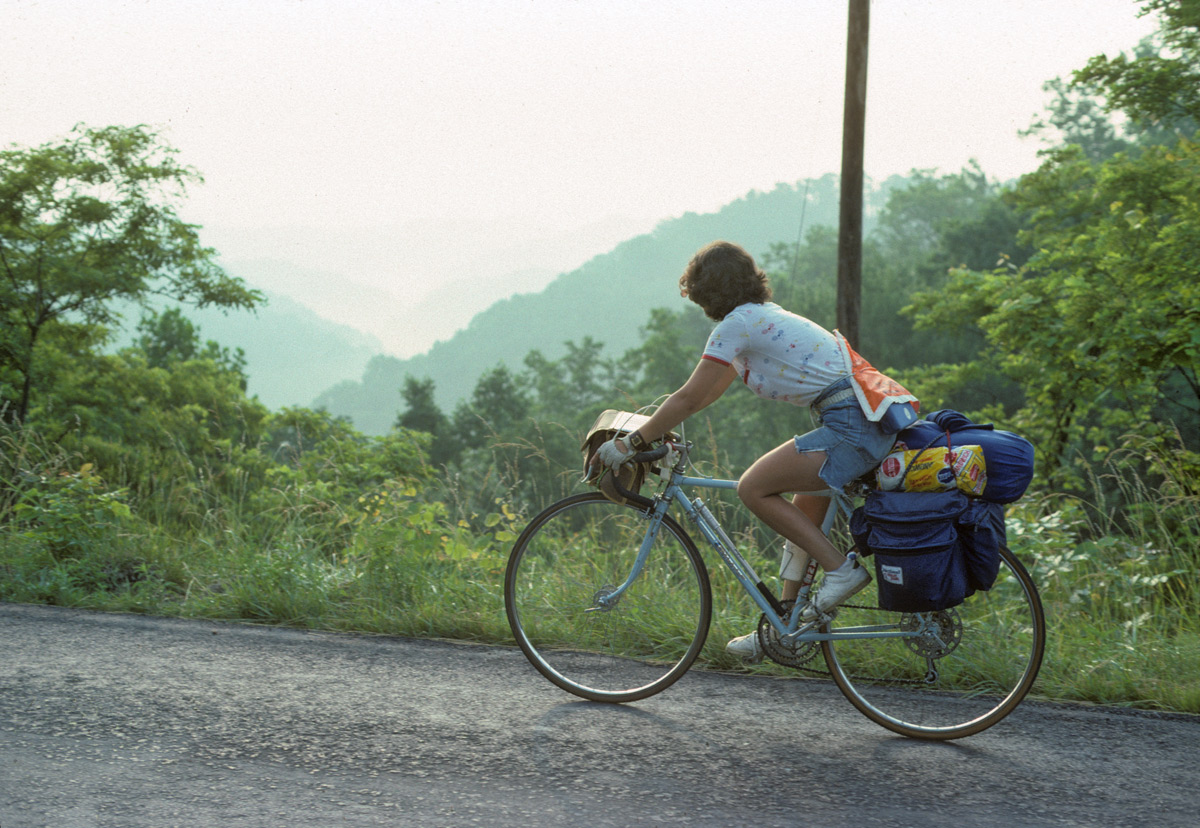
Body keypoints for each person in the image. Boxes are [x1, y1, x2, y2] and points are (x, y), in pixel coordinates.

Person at [595, 240, 917, 661]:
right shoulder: (762, 318)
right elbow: (706, 394)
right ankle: (788, 627)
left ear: (708, 292)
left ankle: (842, 571)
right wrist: (660, 430)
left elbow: (690, 396)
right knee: (805, 510)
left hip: (852, 426)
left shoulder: (738, 324)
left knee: (753, 488)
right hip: (862, 420)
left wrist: (632, 442)